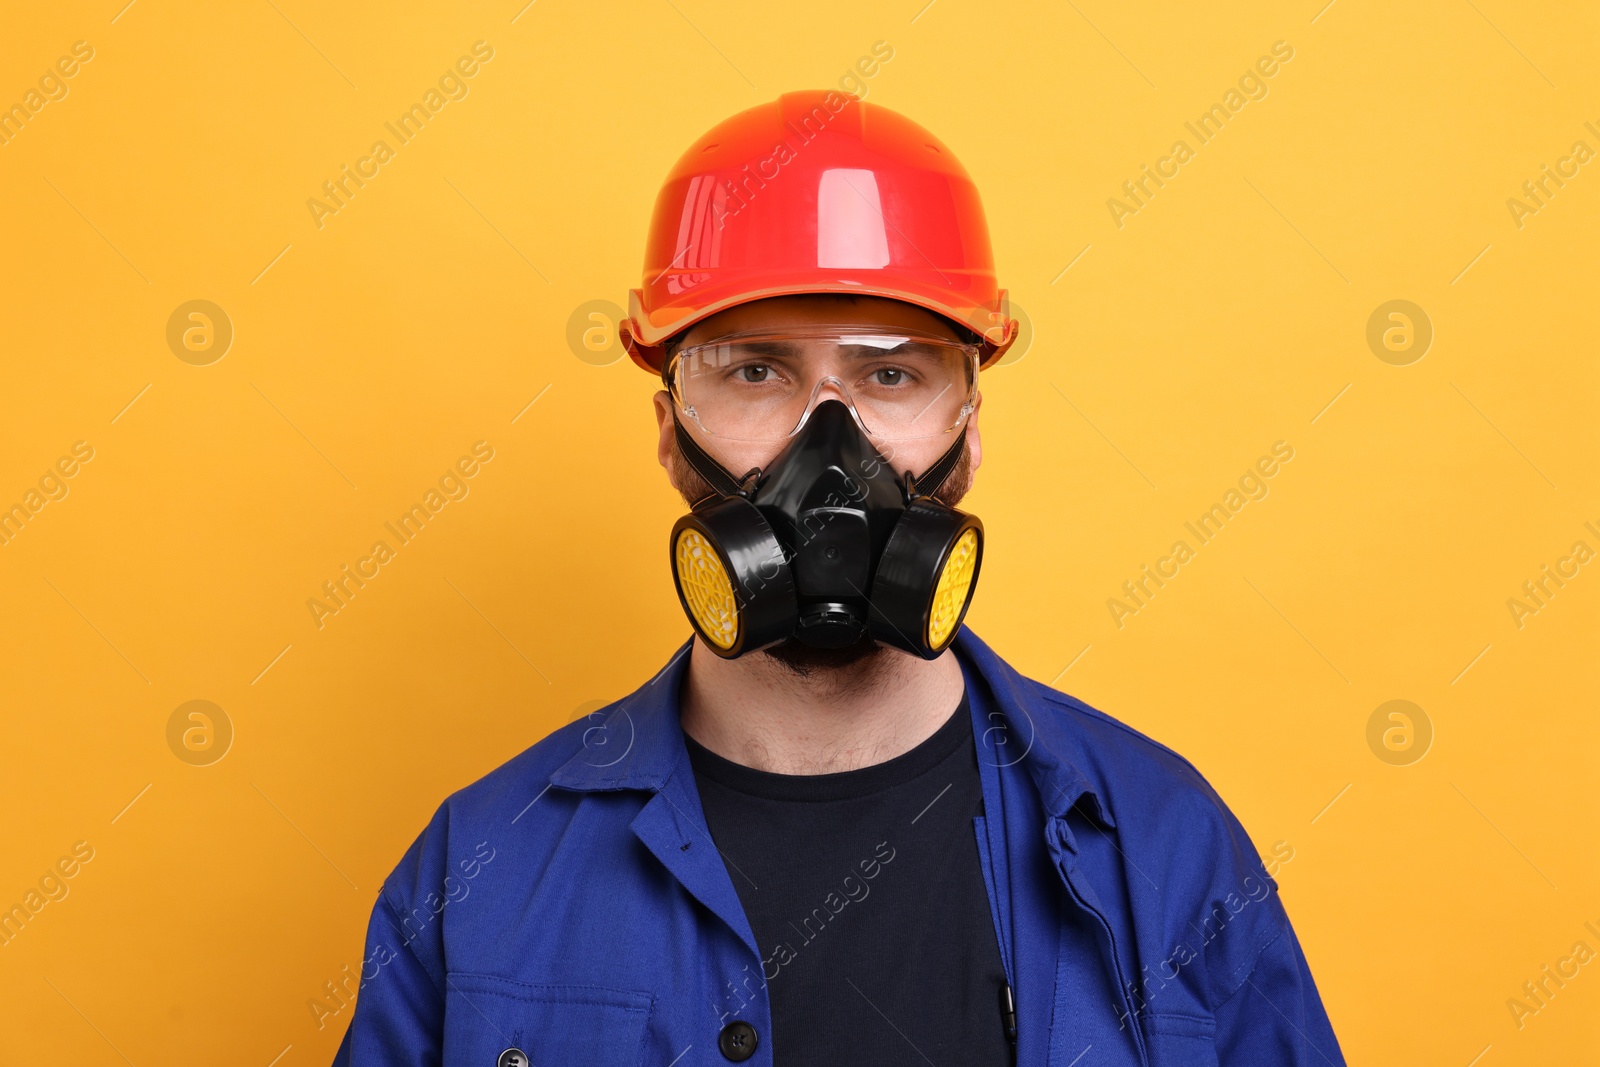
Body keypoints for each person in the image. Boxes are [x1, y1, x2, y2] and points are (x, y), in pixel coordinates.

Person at [333, 89, 1345, 1066]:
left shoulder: (1163, 848)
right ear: (667, 430)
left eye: (891, 372)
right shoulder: (482, 869)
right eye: (753, 369)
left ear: (970, 430)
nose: (829, 446)